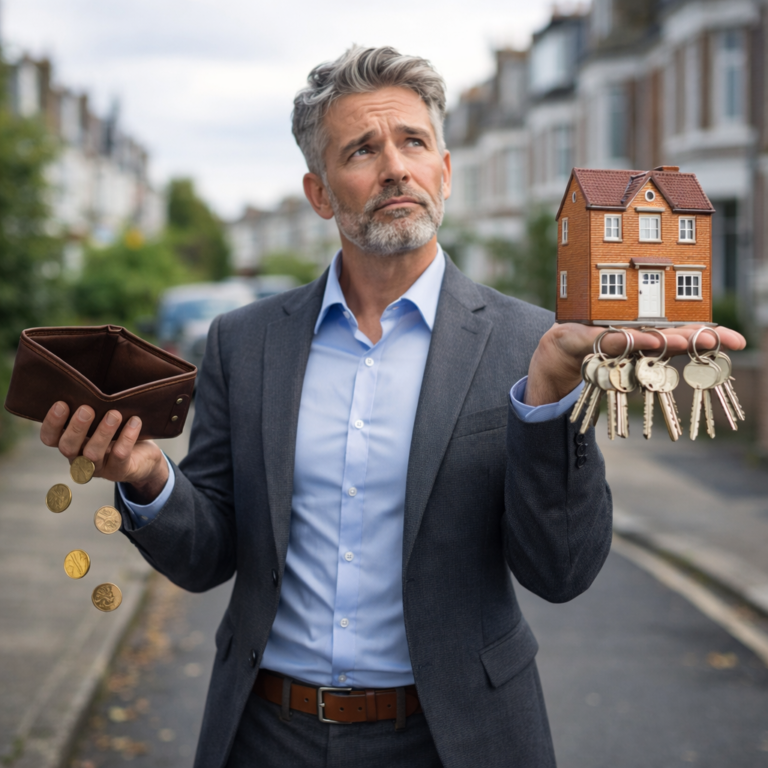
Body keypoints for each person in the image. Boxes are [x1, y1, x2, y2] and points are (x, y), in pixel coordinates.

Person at [40, 46, 744, 768]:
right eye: (362, 149)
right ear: (320, 193)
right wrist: (151, 478)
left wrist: (549, 402)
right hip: (266, 733)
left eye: (413, 141)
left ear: (444, 170)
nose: (394, 167)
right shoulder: (244, 342)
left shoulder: (531, 343)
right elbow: (209, 554)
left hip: (455, 739)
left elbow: (560, 571)